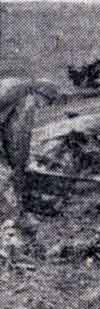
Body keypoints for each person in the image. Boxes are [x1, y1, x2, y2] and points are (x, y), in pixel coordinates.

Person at [0, 78, 59, 248]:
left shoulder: (14, 87)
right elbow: (18, 137)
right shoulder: (27, 101)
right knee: (4, 179)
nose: (43, 107)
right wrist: (18, 166)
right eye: (46, 102)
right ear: (41, 94)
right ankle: (11, 224)